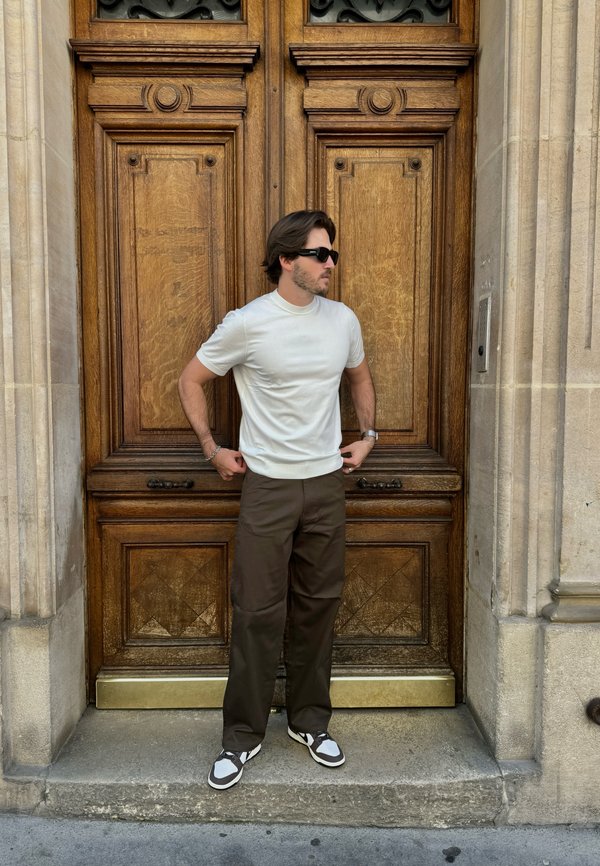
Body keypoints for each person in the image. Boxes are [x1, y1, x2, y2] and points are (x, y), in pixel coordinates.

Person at [178, 210, 377, 790]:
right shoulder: (247, 323)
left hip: (327, 484)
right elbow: (191, 380)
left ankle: (310, 722)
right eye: (320, 254)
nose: (330, 263)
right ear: (287, 259)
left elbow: (359, 378)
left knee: (319, 607)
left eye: (333, 253)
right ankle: (242, 736)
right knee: (257, 614)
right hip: (266, 487)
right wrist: (212, 449)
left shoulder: (342, 320)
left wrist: (368, 437)